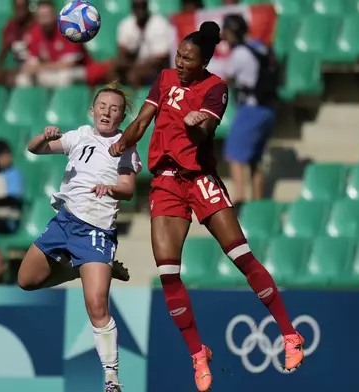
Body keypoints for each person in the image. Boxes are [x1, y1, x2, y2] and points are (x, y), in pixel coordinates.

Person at [108, 22, 303, 391]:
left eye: (188, 58)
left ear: (205, 62)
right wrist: (119, 145)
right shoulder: (164, 79)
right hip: (165, 181)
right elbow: (142, 121)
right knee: (167, 272)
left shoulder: (216, 89)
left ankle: (290, 335)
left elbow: (203, 133)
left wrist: (195, 124)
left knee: (241, 255)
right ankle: (198, 355)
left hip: (200, 179)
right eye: (179, 55)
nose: (180, 62)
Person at [18, 85, 142, 392]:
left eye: (114, 108)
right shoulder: (80, 135)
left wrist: (110, 188)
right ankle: (81, 268)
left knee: (96, 304)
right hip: (65, 221)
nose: (107, 112)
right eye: (102, 106)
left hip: (96, 231)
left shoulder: (125, 145)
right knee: (26, 280)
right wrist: (44, 137)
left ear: (121, 115)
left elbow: (128, 188)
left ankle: (112, 379)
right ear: (93, 109)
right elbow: (34, 149)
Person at [222, 14, 278, 207]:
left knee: (234, 154)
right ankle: (258, 201)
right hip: (268, 110)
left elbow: (227, 78)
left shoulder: (240, 53)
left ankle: (240, 198)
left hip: (251, 109)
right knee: (255, 159)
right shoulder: (261, 47)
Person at [16, 0, 88, 87]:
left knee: (65, 76)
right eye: (42, 16)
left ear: (55, 15)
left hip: (76, 70)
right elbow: (31, 64)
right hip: (48, 71)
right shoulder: (34, 32)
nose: (45, 20)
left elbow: (69, 64)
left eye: (47, 16)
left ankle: (63, 100)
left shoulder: (69, 30)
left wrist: (40, 67)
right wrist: (33, 67)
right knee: (23, 79)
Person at [116, 0, 173, 88]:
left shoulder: (159, 23)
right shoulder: (126, 23)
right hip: (132, 63)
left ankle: (137, 100)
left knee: (134, 75)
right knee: (113, 70)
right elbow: (122, 51)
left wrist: (138, 66)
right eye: (136, 6)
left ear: (147, 6)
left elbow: (161, 58)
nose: (140, 9)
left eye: (142, 5)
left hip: (155, 68)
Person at [0, 0, 35, 86]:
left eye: (23, 7)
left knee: (19, 80)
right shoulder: (10, 26)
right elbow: (4, 50)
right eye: (17, 7)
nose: (20, 10)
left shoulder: (36, 25)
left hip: (34, 66)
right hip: (19, 66)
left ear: (28, 7)